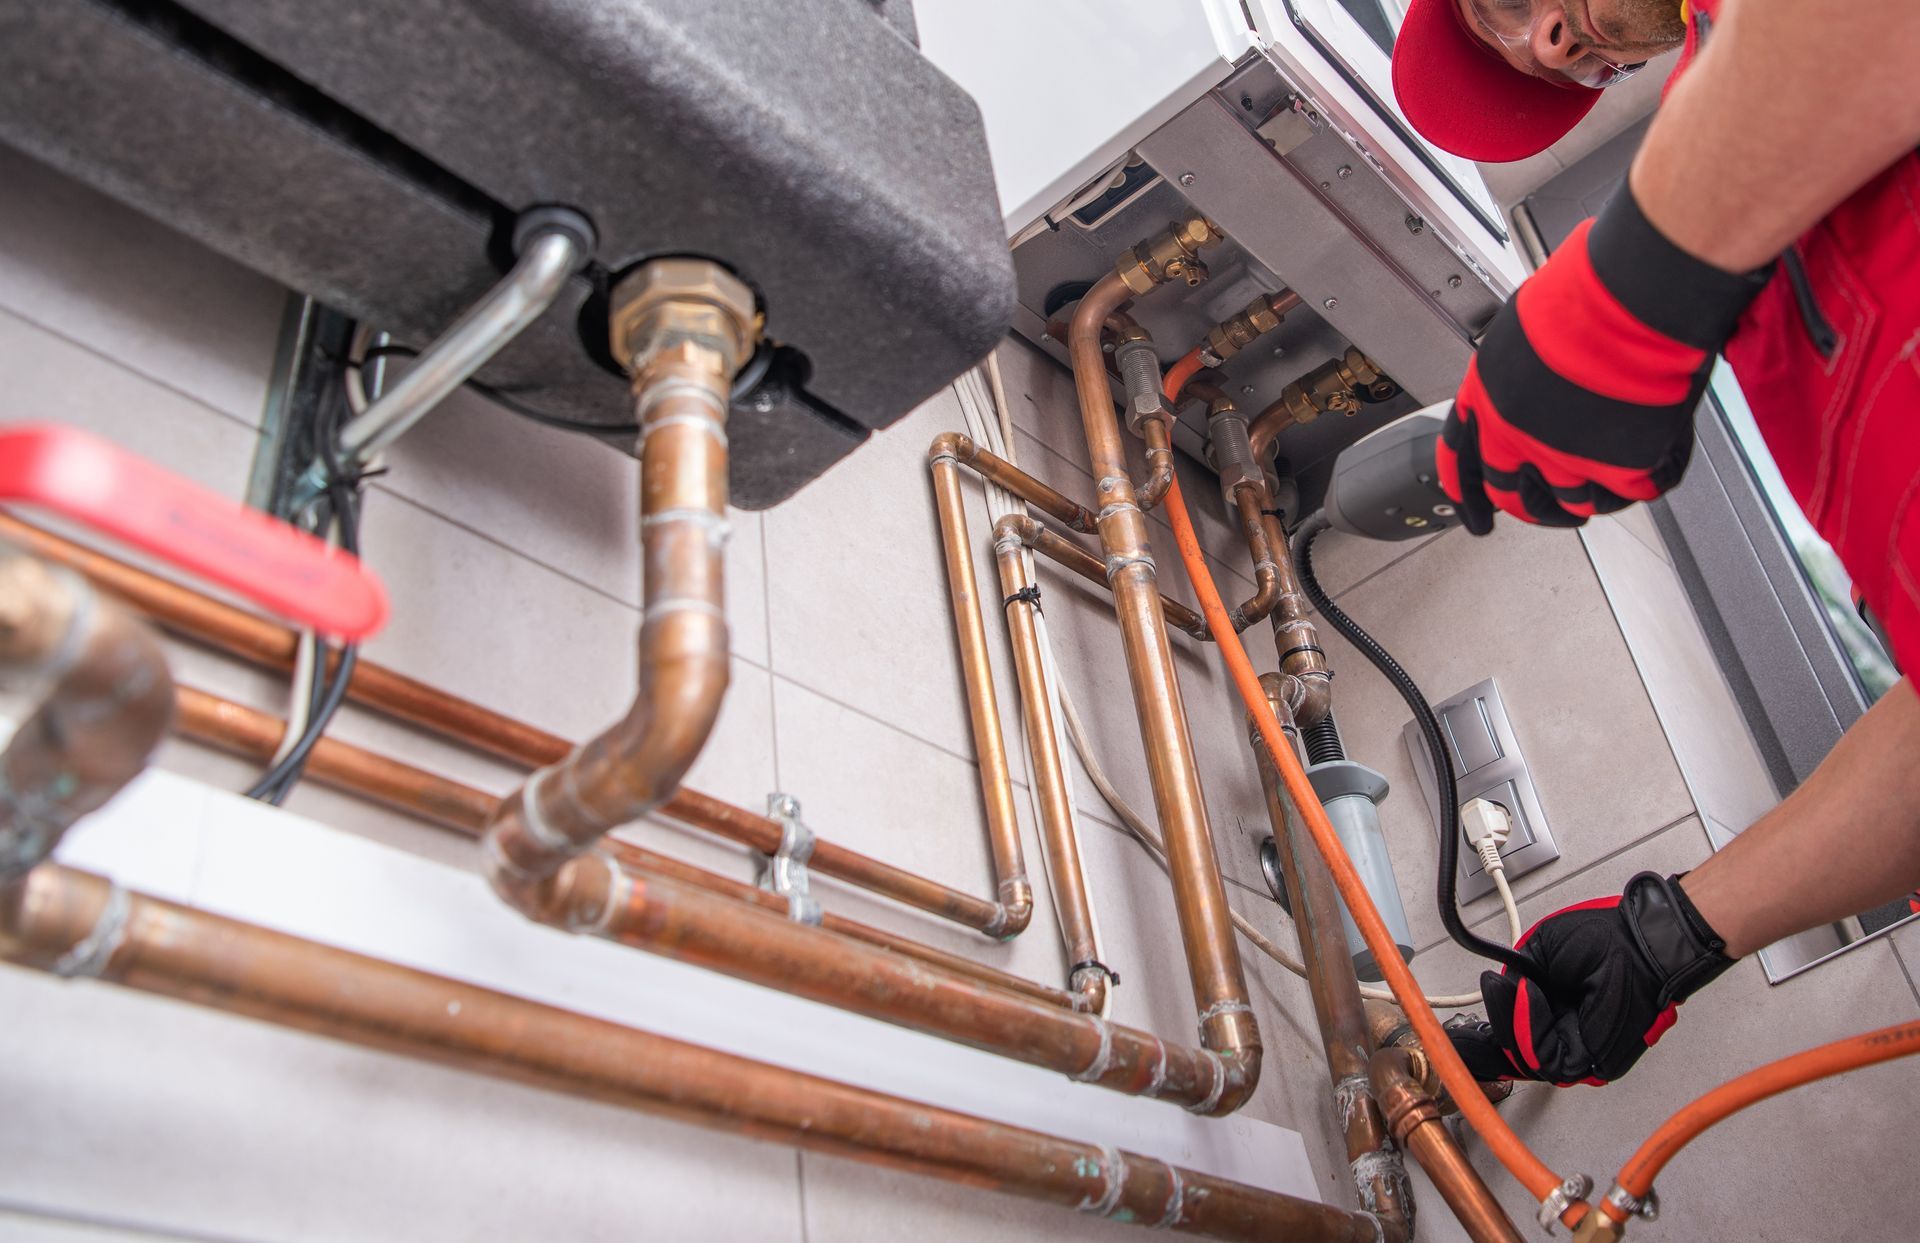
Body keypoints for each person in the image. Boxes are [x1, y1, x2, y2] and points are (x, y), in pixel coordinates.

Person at [1389, 0, 1920, 1086]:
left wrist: (1641, 277)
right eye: (1546, 59)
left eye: (1502, 7)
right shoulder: (1768, 258)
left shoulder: (1727, 179)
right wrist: (1671, 935)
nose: (1545, 44)